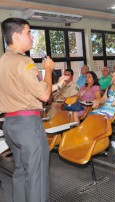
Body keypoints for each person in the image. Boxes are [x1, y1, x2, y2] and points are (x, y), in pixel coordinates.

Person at [0, 17, 65, 202]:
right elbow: (44, 96)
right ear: (16, 35)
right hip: (28, 125)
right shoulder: (23, 62)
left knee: (21, 172)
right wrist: (48, 70)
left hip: (11, 124)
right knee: (37, 177)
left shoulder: (3, 61)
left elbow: (28, 92)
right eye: (29, 33)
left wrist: (56, 85)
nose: (32, 38)